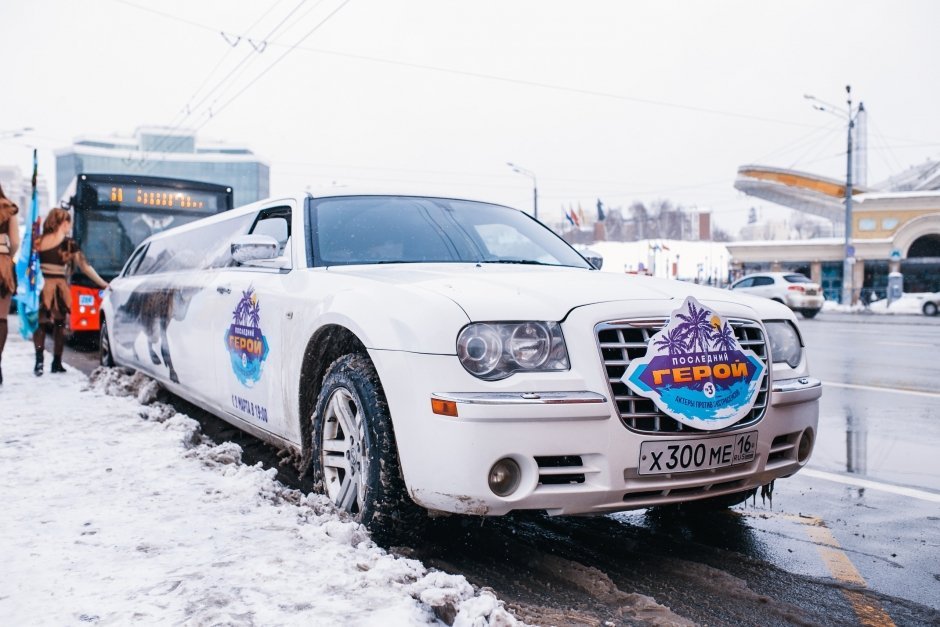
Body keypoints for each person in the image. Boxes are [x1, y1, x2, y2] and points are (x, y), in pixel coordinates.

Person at [33, 208, 108, 375]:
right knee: (59, 325)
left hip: (42, 285)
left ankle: (39, 362)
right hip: (59, 286)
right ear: (63, 223)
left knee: (41, 324)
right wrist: (103, 283)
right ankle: (56, 363)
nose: (69, 227)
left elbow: (29, 264)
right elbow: (85, 267)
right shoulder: (69, 244)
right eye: (68, 223)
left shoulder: (38, 241)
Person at [0, 184, 21, 385]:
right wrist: (7, 256)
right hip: (2, 264)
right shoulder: (8, 208)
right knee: (1, 317)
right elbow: (15, 242)